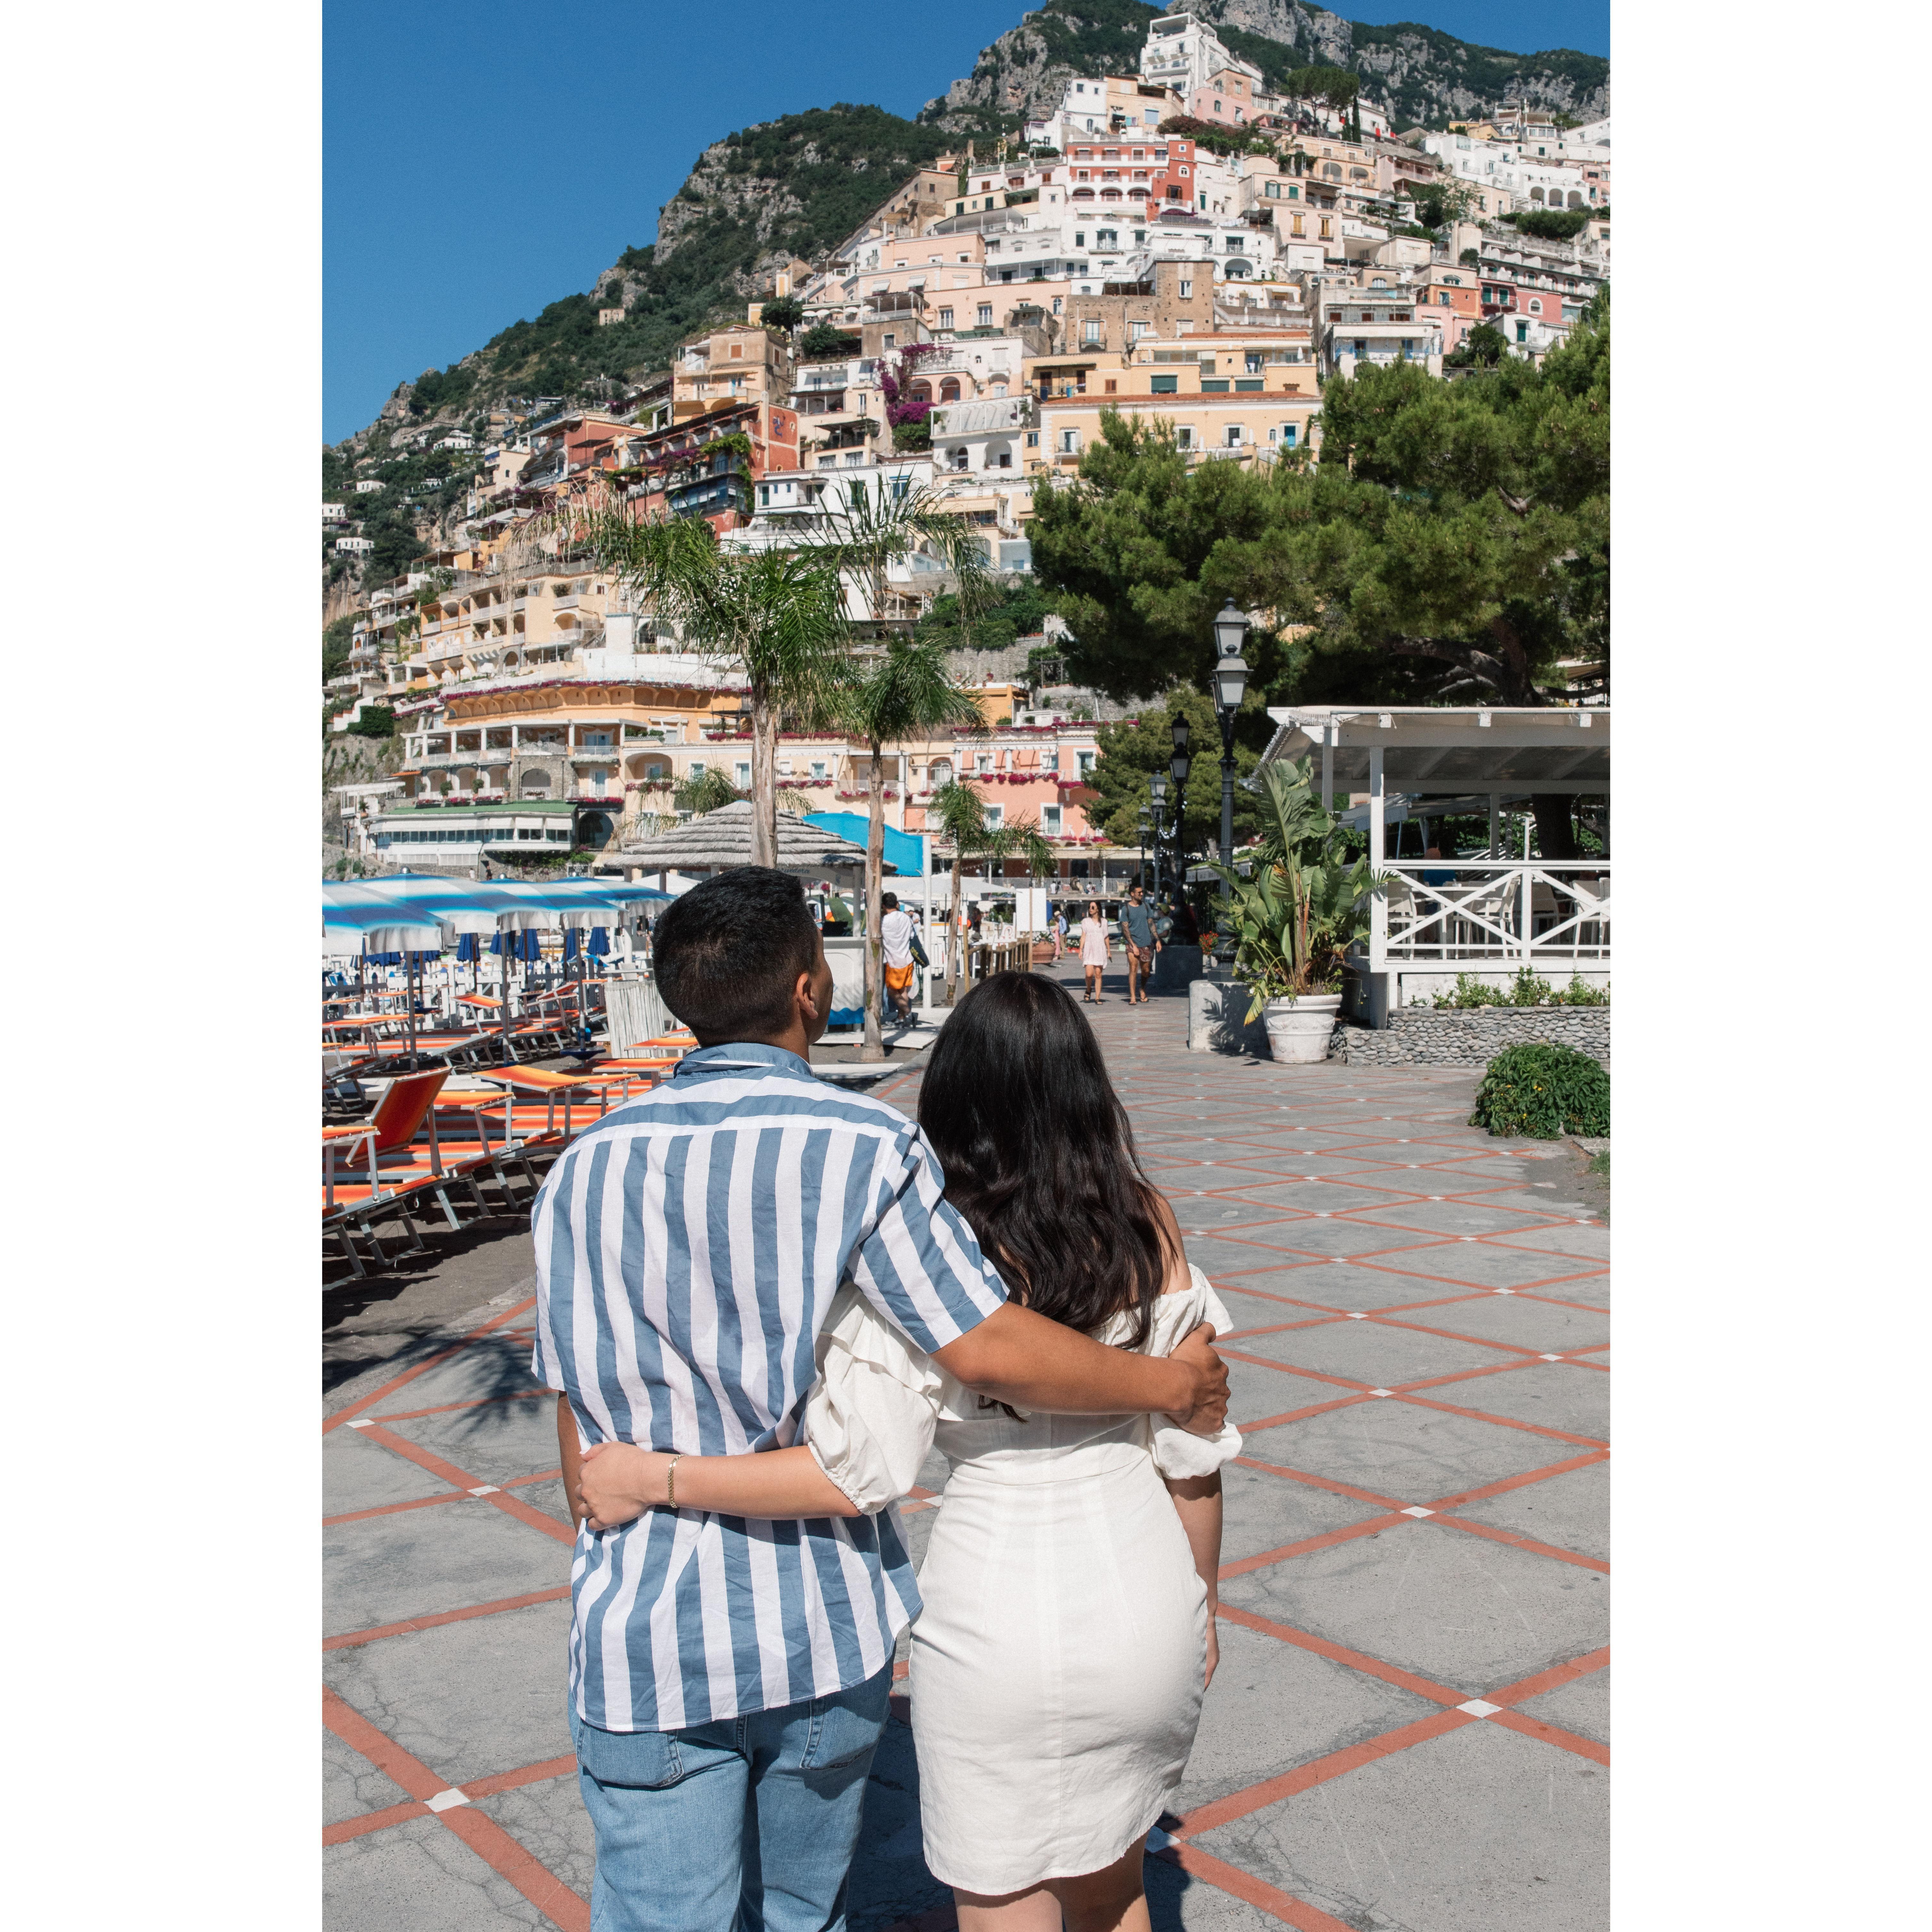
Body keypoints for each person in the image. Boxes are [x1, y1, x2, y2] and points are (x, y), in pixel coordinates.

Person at [534, 868, 1230, 1932]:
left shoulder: (579, 1169)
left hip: (650, 1628)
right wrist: (1170, 1386)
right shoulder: (865, 1149)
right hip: (824, 1623)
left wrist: (632, 1483)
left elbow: (576, 1413)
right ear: (810, 989)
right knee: (824, 1911)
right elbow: (983, 1346)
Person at [879, 889, 918, 1024]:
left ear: (883, 906)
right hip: (907, 959)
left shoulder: (883, 921)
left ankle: (909, 1014)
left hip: (893, 961)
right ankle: (901, 1019)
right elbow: (912, 936)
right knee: (903, 992)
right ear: (897, 904)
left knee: (891, 992)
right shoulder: (906, 918)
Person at [1119, 884, 1162, 1006]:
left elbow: (1151, 924)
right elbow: (1125, 929)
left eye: (1142, 892)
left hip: (1146, 943)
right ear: (1132, 894)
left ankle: (1142, 989)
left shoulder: (1146, 906)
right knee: (1133, 968)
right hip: (1132, 943)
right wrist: (1133, 945)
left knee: (1146, 971)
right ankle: (1133, 996)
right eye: (1139, 893)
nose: (1142, 894)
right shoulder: (1126, 909)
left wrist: (1158, 940)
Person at [1079, 898, 1111, 1003]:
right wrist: (1081, 950)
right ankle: (1088, 989)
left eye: (1093, 907)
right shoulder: (1086, 922)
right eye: (1090, 907)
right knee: (1089, 974)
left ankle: (1098, 997)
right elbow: (1083, 936)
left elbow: (1106, 937)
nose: (1091, 909)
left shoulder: (1104, 922)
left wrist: (1109, 951)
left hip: (1100, 950)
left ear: (1098, 909)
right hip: (1089, 950)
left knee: (1098, 974)